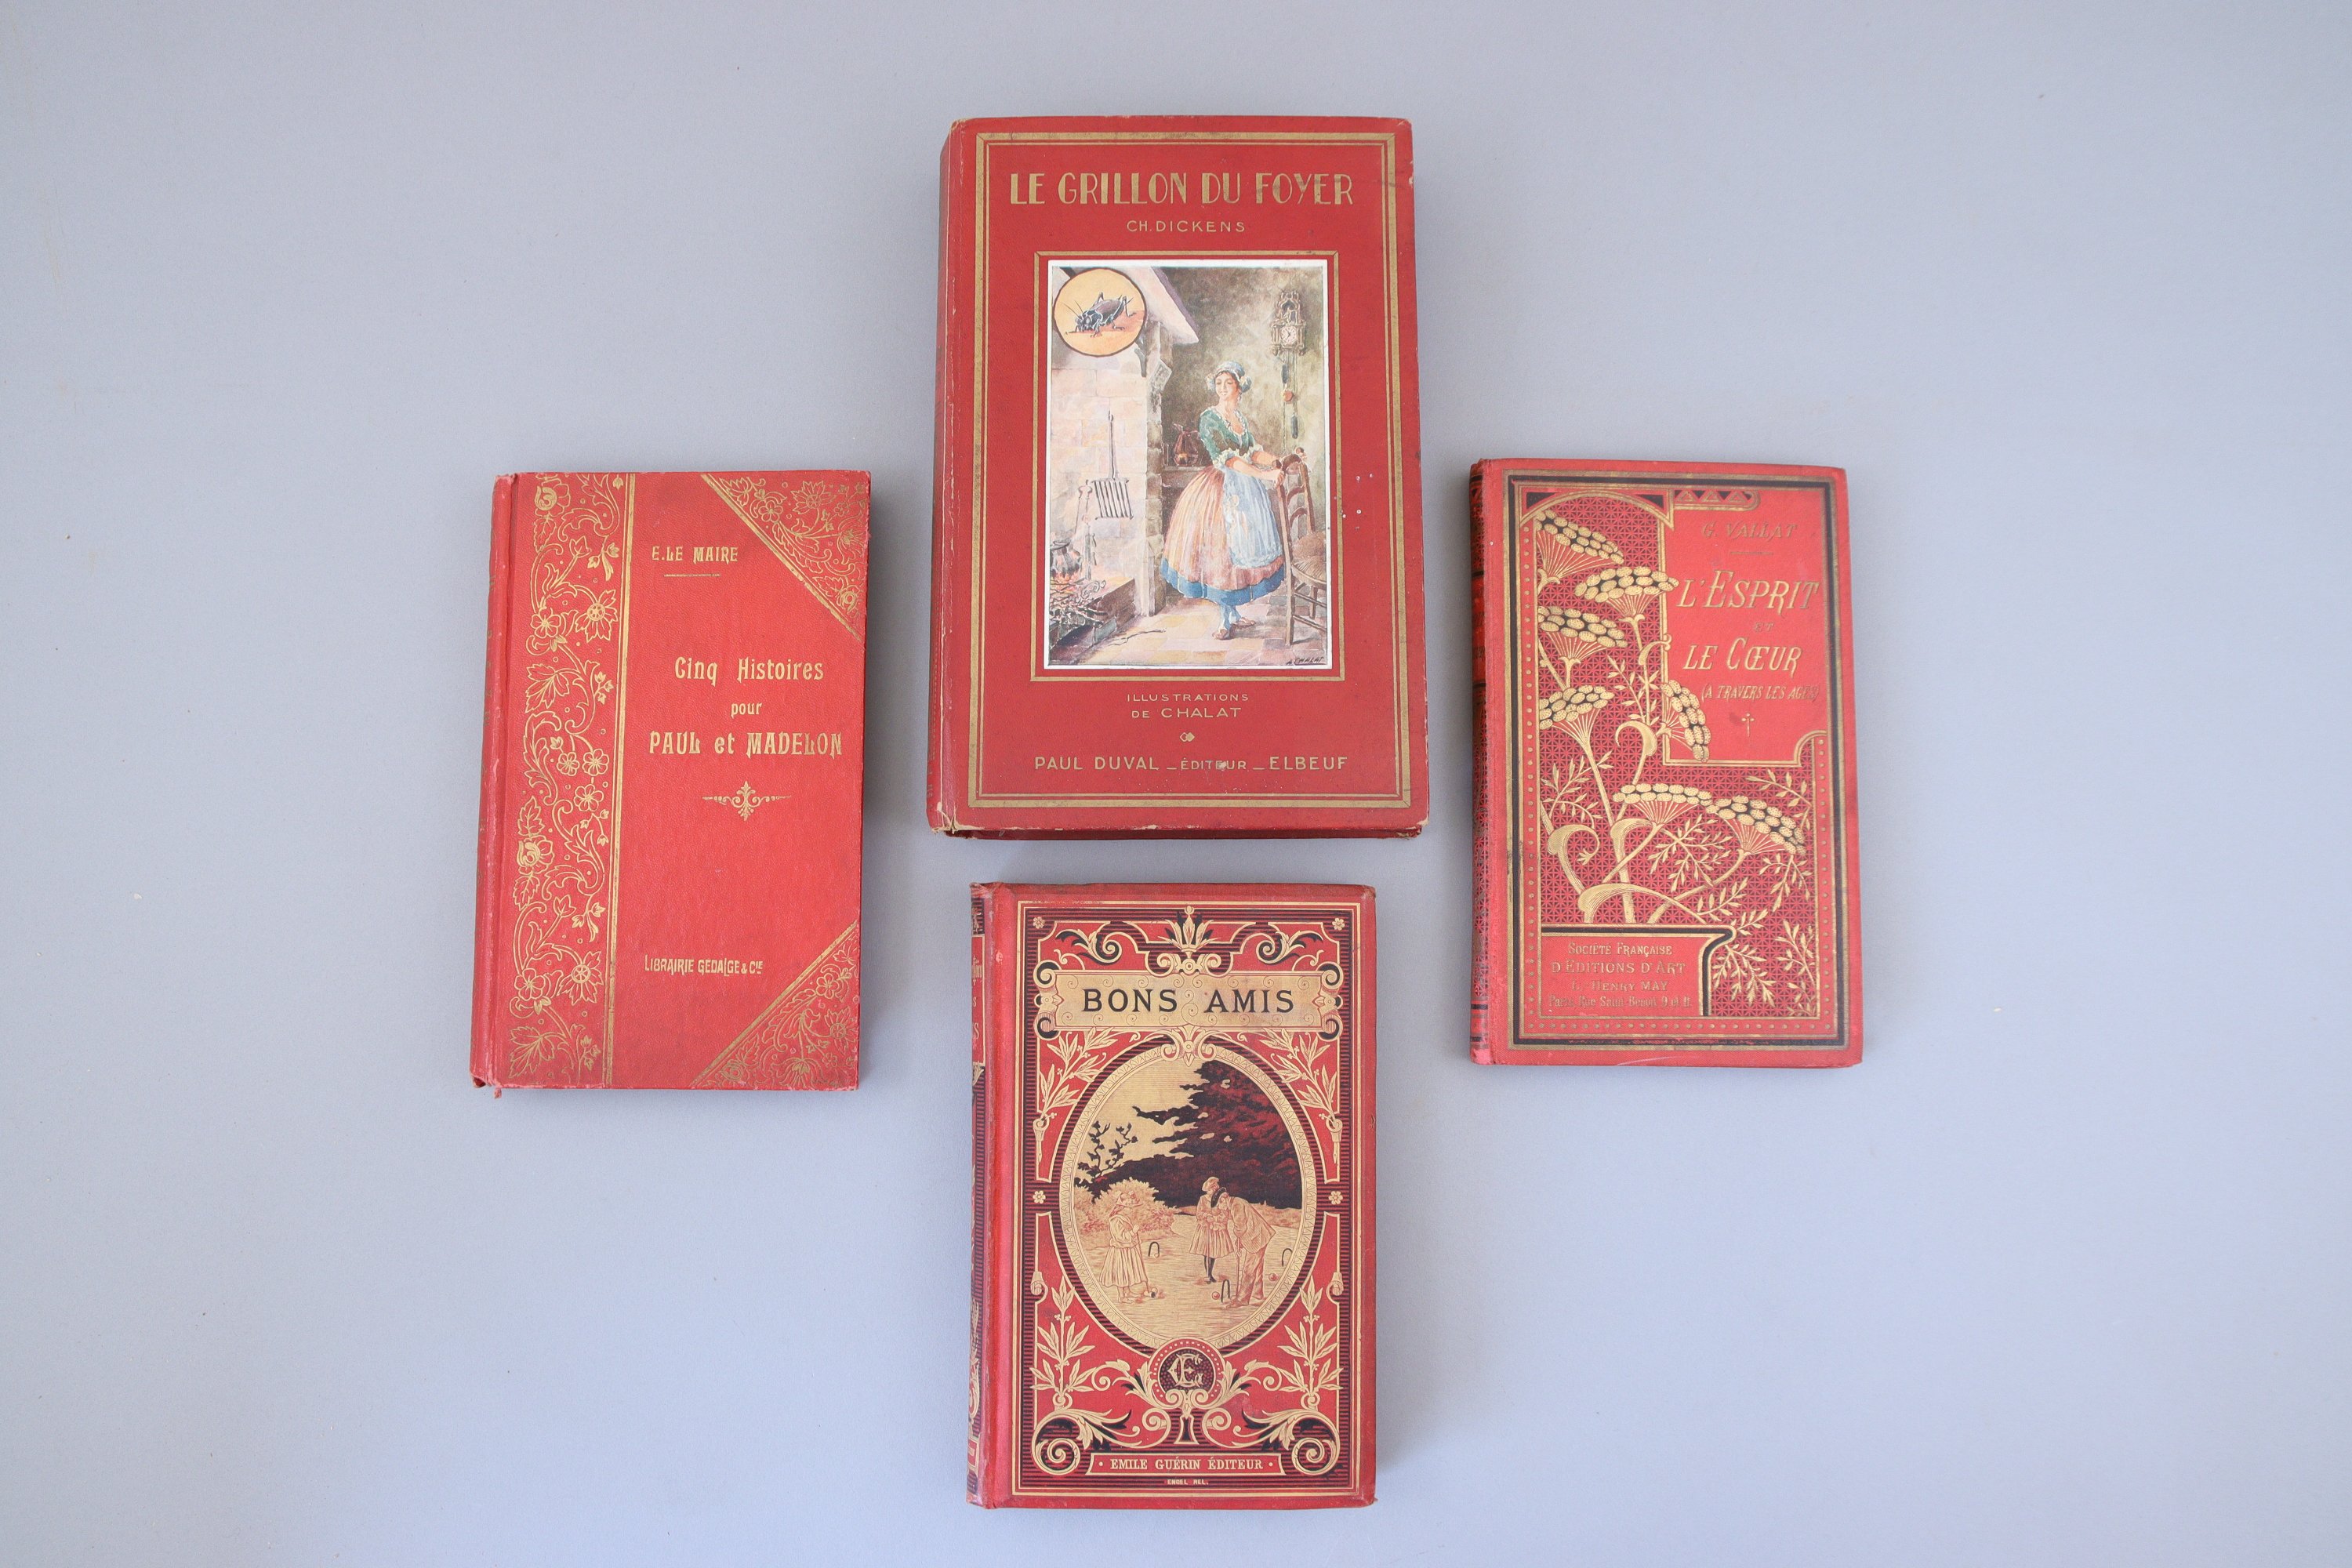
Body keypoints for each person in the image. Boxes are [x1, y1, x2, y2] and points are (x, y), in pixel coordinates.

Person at [1160, 362, 1288, 639]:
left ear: (1239, 387)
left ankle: (1234, 614)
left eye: (1228, 383)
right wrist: (1265, 475)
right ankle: (1223, 619)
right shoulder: (1209, 419)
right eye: (1218, 383)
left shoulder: (1240, 418)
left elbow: (1252, 452)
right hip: (1220, 488)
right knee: (1221, 552)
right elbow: (1229, 460)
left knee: (1239, 551)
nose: (1222, 388)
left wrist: (1275, 461)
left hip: (1245, 488)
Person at [1100, 1188, 1157, 1305]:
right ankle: (1121, 1297)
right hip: (1120, 1251)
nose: (1131, 1210)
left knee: (1127, 1271)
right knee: (1121, 1272)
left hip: (1127, 1249)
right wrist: (1132, 1232)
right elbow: (1119, 1236)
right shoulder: (1115, 1220)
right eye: (1129, 1208)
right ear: (1122, 1208)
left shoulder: (1125, 1218)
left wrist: (1135, 1239)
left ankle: (1128, 1291)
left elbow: (1128, 1234)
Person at [1224, 1195, 1273, 1307]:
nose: (1220, 1208)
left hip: (1257, 1238)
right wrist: (1239, 1243)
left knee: (1248, 1270)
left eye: (1219, 1205)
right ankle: (1257, 1293)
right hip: (1260, 1235)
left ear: (1223, 1200)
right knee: (1257, 1266)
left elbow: (1241, 1228)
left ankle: (1242, 1299)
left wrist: (1238, 1242)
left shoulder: (1236, 1205)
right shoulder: (1237, 1202)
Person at [1192, 1175, 1238, 1290]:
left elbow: (1225, 1213)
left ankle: (1210, 1273)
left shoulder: (1221, 1199)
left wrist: (1215, 1219)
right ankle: (1208, 1274)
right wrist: (1206, 1216)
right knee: (1206, 1252)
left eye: (1214, 1188)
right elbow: (1199, 1213)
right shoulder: (1203, 1199)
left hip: (1216, 1228)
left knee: (1213, 1252)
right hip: (1205, 1228)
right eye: (1211, 1188)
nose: (1213, 1190)